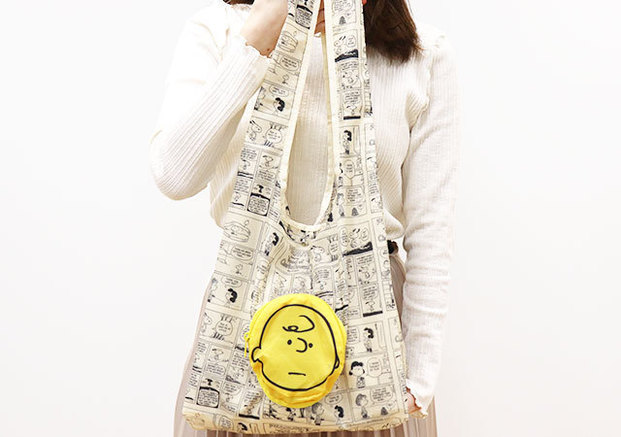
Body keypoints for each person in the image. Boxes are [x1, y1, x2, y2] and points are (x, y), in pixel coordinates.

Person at [148, 0, 461, 436]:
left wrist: (419, 376)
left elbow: (430, 229)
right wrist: (257, 38)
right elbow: (174, 175)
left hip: (372, 331)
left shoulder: (423, 53)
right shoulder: (221, 32)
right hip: (246, 326)